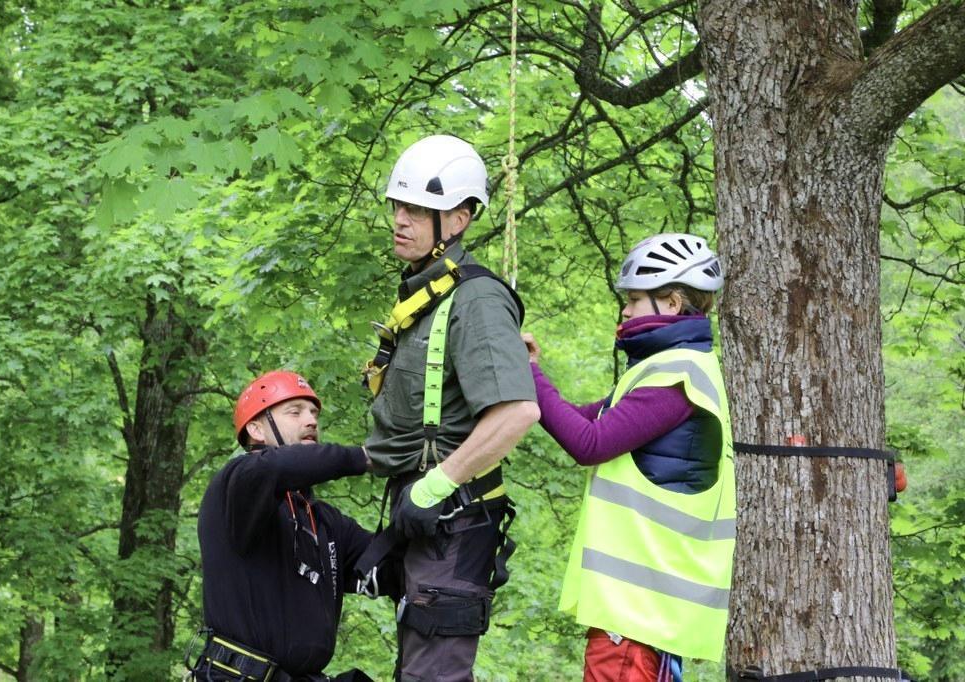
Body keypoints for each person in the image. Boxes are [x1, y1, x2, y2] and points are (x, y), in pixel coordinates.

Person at [359, 134, 540, 682]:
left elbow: (516, 413)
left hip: (455, 521)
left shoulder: (476, 298)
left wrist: (435, 486)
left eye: (418, 210)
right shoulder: (428, 293)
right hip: (425, 518)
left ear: (458, 220)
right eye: (399, 205)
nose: (401, 219)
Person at [523, 233, 736, 681]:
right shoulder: (666, 371)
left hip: (638, 614)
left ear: (672, 303)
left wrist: (529, 376)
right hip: (640, 614)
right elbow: (582, 419)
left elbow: (590, 443)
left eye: (635, 299)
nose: (625, 311)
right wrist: (528, 377)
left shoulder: (677, 379)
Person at [191, 370, 397, 682]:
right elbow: (277, 467)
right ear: (256, 428)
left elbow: (389, 567)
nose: (311, 420)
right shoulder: (236, 486)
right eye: (295, 411)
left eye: (314, 412)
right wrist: (367, 457)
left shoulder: (324, 521)